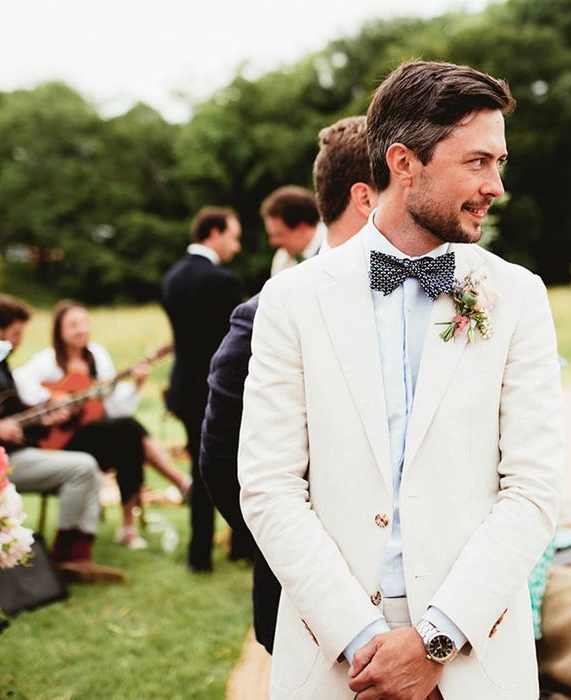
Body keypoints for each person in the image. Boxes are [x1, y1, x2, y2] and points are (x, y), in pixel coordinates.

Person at [238, 60, 565, 699]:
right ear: (403, 162)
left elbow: (533, 488)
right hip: (336, 664)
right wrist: (363, 640)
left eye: (500, 163)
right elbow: (269, 487)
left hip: (476, 662)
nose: (495, 185)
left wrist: (436, 640)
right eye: (477, 162)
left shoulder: (518, 296)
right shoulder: (291, 301)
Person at [200, 115, 378, 654]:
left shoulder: (452, 298)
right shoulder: (265, 315)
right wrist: (293, 554)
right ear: (368, 197)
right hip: (303, 609)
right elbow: (220, 460)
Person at [0, 296, 124, 583]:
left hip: (15, 451)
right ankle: (63, 556)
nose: (20, 340)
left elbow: (15, 419)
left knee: (91, 468)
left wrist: (43, 420)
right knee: (84, 466)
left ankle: (79, 553)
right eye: (15, 333)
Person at [13, 300, 192, 550]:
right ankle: (176, 487)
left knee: (128, 440)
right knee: (128, 431)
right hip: (61, 442)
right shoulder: (48, 360)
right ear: (60, 330)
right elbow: (18, 380)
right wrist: (52, 398)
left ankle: (130, 525)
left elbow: (113, 408)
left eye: (84, 323)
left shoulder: (98, 356)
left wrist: (138, 384)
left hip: (96, 438)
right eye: (73, 324)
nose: (81, 329)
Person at [162, 206, 243, 572]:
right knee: (234, 466)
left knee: (200, 465)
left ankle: (199, 554)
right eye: (233, 236)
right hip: (216, 388)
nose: (236, 246)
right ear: (213, 232)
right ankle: (241, 546)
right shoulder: (221, 281)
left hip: (183, 385)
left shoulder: (172, 277)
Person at [261, 185, 323, 276]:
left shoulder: (334, 249)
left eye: (279, 234)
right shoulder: (282, 259)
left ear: (302, 228)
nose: (272, 242)